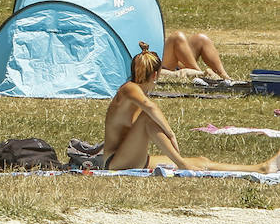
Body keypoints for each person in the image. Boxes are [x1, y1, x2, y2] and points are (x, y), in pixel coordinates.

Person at [103, 43, 280, 172]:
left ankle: (261, 168)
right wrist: (171, 135)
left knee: (200, 161)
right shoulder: (129, 89)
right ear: (156, 74)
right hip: (115, 161)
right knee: (147, 120)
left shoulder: (134, 90)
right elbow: (150, 108)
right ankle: (181, 164)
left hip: (130, 156)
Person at [162, 30, 230, 80]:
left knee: (201, 39)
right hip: (157, 66)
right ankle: (202, 75)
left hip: (168, 61)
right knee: (177, 37)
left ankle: (226, 78)